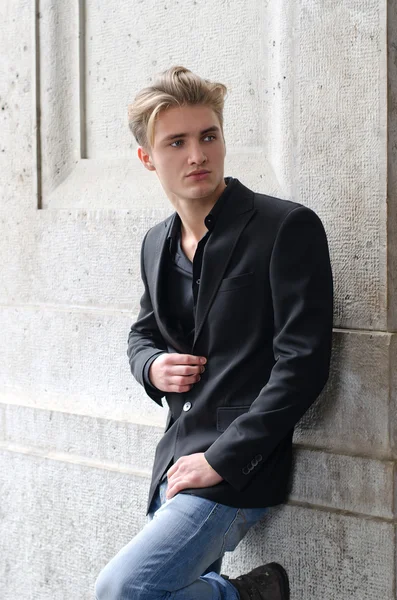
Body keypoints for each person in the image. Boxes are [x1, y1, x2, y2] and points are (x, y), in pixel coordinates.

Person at [95, 66, 334, 600]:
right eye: (176, 143)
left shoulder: (285, 227)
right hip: (173, 461)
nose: (197, 155)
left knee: (120, 592)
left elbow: (303, 365)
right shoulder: (156, 244)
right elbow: (142, 335)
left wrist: (221, 459)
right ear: (147, 158)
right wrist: (152, 367)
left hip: (237, 470)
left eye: (208, 136)